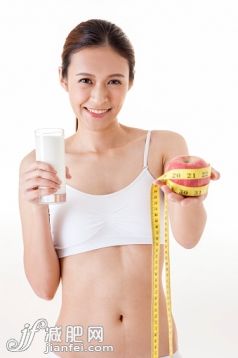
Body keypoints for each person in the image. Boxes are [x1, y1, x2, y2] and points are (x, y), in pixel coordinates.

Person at [18, 19, 220, 358]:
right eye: (85, 81)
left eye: (114, 81)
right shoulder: (38, 166)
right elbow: (43, 288)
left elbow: (188, 238)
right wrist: (37, 205)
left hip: (155, 349)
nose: (99, 97)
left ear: (130, 82)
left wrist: (188, 199)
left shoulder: (162, 147)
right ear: (63, 79)